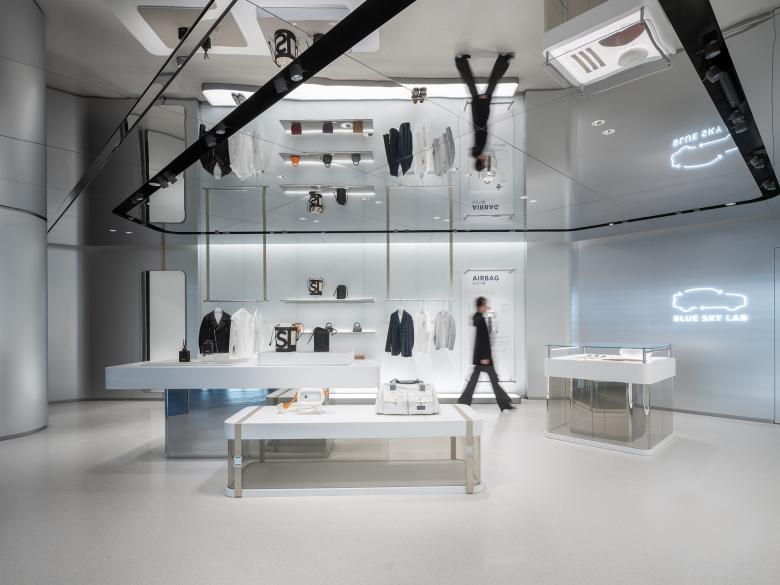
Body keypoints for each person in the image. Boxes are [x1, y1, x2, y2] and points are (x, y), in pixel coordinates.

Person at [454, 53, 513, 172]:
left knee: (490, 83)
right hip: (480, 111)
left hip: (480, 110)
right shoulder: (477, 150)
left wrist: (482, 106)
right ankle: (461, 62)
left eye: (484, 162)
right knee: (479, 84)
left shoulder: (479, 148)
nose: (486, 160)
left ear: (481, 161)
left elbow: (479, 127)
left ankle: (502, 60)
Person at [458, 296, 515, 411]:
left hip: (481, 357)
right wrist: (485, 357)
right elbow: (482, 340)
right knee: (493, 380)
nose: (487, 307)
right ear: (480, 306)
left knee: (477, 380)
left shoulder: (478, 318)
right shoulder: (480, 320)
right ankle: (504, 402)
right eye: (485, 305)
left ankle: (464, 401)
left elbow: (481, 340)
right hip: (484, 358)